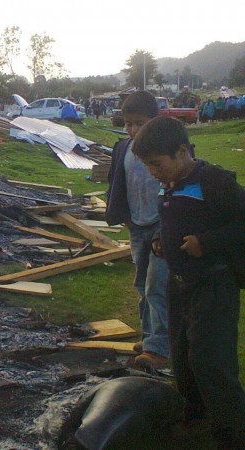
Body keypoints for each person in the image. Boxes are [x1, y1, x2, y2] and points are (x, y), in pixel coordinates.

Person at [132, 116, 245, 449]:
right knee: (182, 356)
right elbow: (174, 220)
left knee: (211, 359)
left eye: (156, 164)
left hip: (214, 283)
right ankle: (195, 415)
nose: (152, 171)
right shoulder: (171, 183)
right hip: (180, 285)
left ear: (182, 151)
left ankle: (232, 430)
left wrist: (205, 243)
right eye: (147, 165)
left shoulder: (215, 181)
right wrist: (159, 239)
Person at [105, 91, 170, 370]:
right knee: (142, 285)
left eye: (139, 123)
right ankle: (149, 336)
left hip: (162, 227)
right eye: (128, 124)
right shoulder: (123, 148)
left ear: (155, 120)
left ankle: (161, 348)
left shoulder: (168, 149)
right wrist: (124, 218)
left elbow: (179, 184)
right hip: (137, 226)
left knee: (158, 287)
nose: (132, 130)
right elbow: (117, 183)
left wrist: (168, 225)